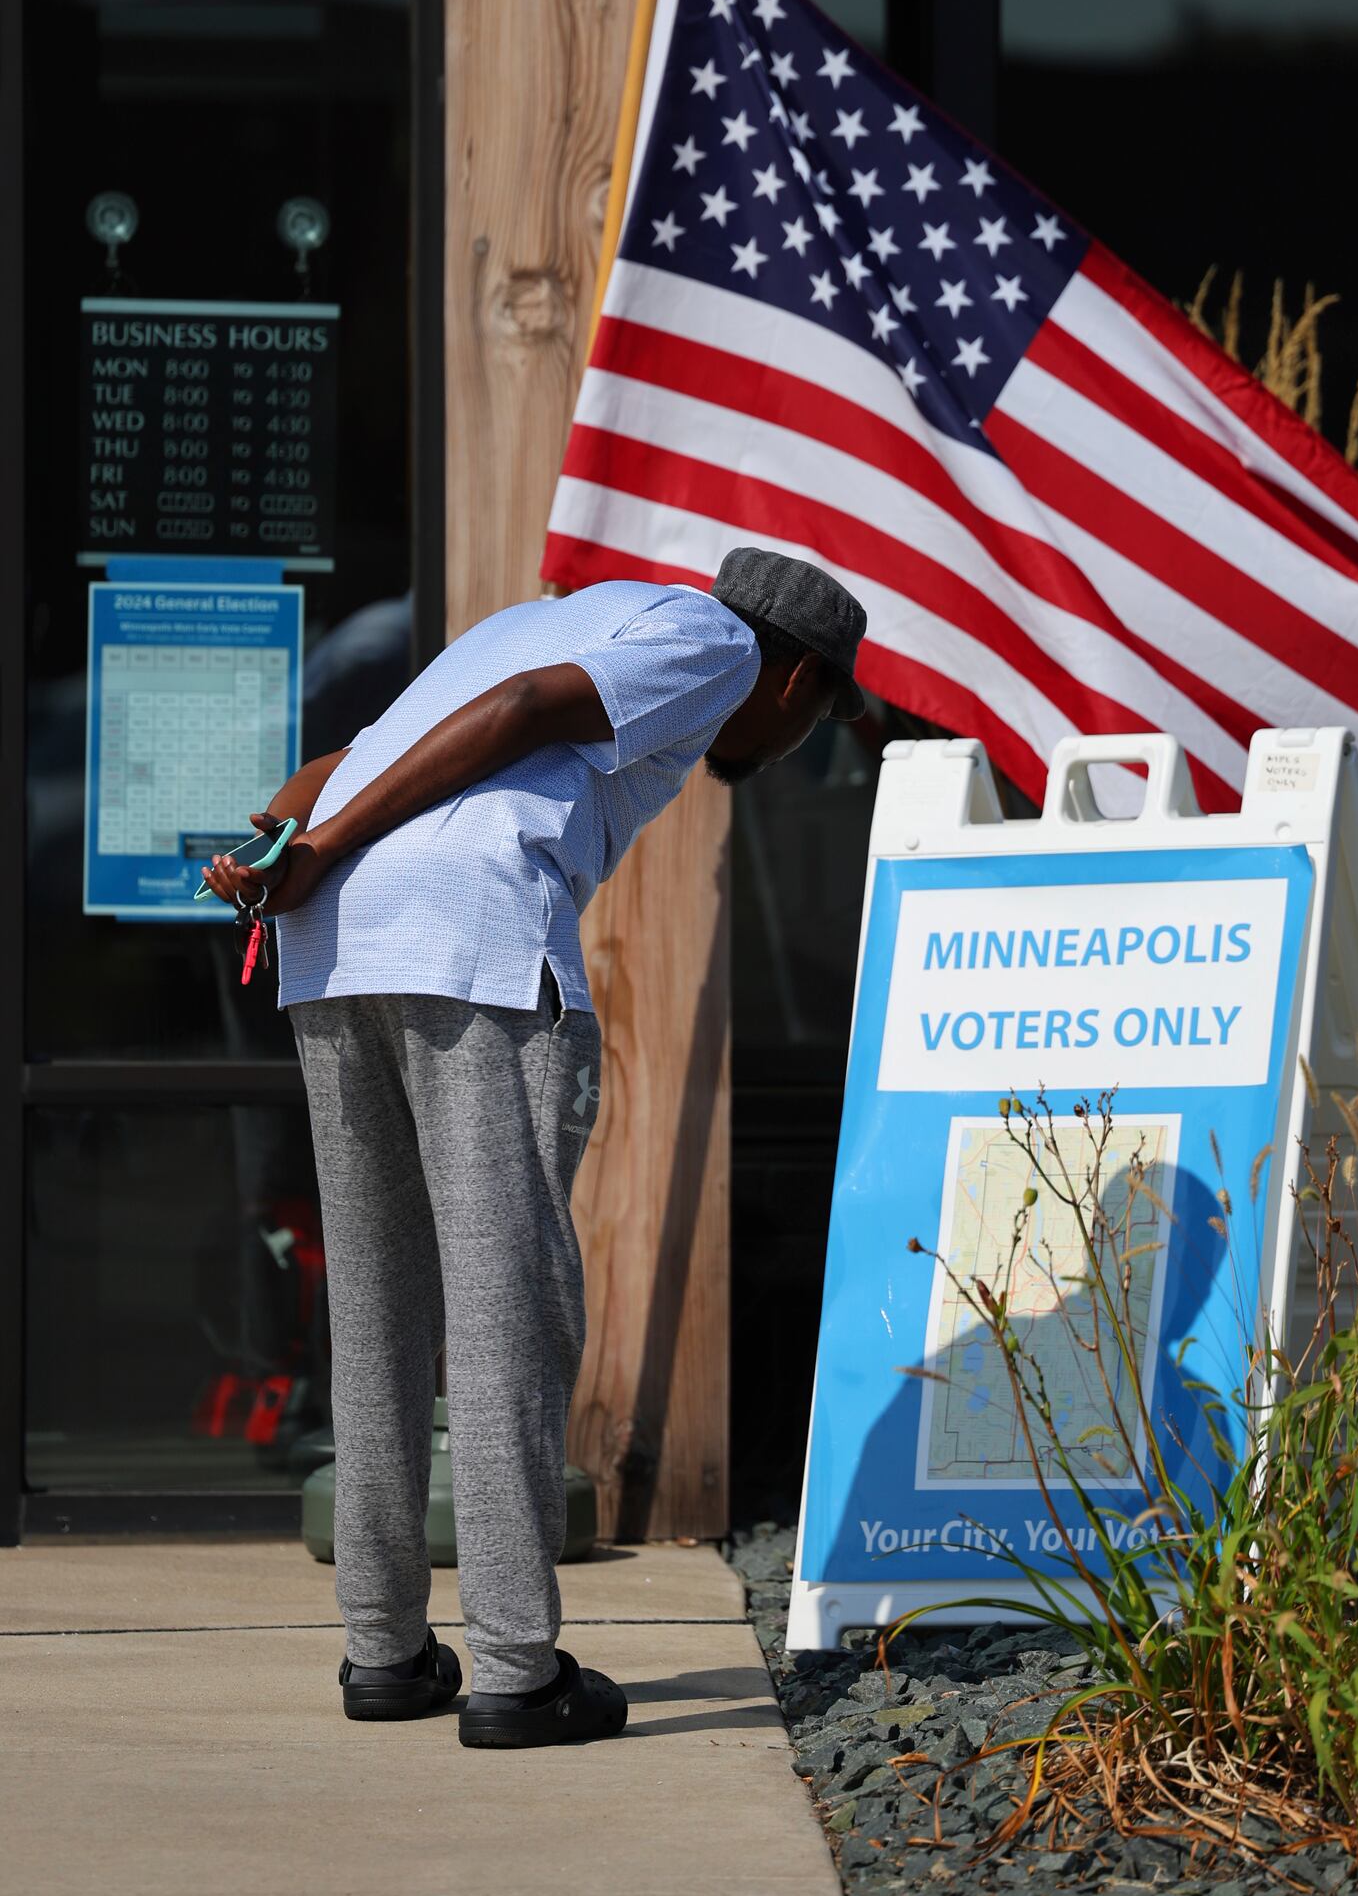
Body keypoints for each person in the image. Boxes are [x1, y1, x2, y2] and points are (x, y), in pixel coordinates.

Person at [201, 549, 867, 1749]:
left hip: (337, 945)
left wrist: (287, 849)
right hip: (469, 940)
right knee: (509, 1300)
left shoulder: (532, 617)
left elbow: (325, 767)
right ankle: (514, 1669)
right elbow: (522, 714)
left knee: (381, 1306)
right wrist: (321, 837)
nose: (791, 740)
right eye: (816, 715)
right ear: (800, 675)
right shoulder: (717, 645)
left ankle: (385, 1652)